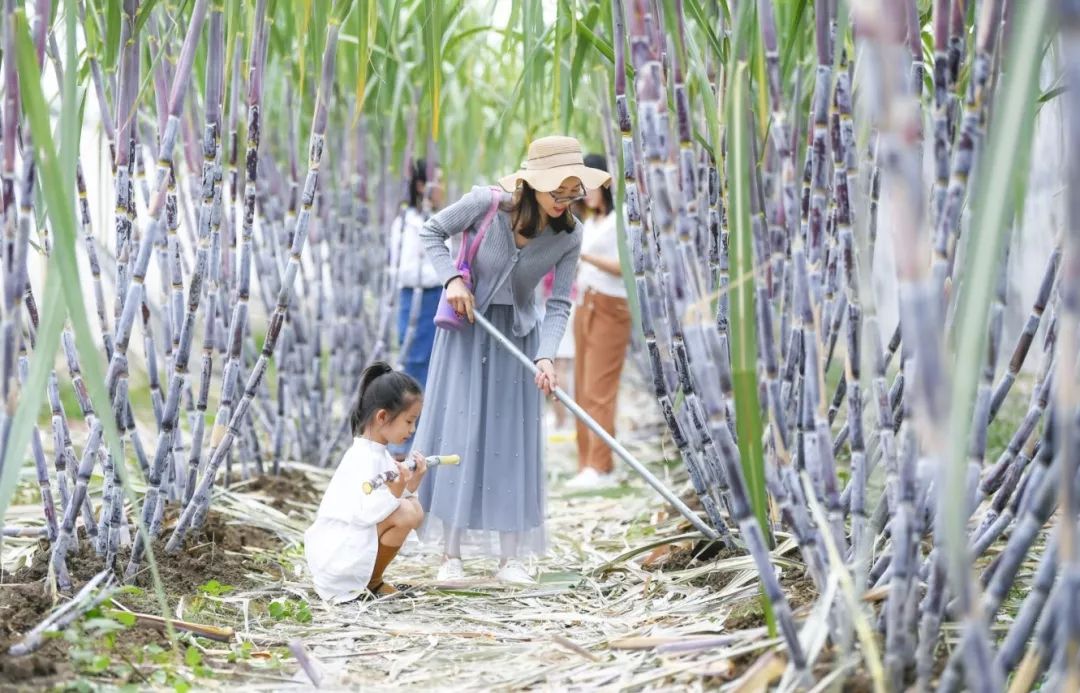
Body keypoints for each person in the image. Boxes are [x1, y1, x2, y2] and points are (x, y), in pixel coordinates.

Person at [413, 136, 611, 584]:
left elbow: (559, 303)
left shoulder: (571, 234)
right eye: (556, 191)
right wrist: (451, 281)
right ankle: (451, 555)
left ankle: (512, 558)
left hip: (520, 337)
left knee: (511, 440)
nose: (564, 202)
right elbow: (431, 232)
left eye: (572, 192)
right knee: (459, 434)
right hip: (468, 330)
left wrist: (546, 356)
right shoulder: (487, 205)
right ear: (532, 184)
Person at [304, 362, 428, 602]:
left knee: (412, 509)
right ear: (382, 416)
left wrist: (412, 485)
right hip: (337, 558)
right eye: (409, 421)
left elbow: (389, 504)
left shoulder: (379, 454)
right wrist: (397, 493)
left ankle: (372, 580)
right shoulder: (362, 458)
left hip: (353, 546)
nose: (412, 430)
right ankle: (369, 582)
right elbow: (364, 512)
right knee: (407, 513)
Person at [566, 153, 631, 490]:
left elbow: (626, 267)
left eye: (591, 184)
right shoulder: (590, 222)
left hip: (611, 306)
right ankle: (587, 462)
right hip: (585, 303)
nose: (586, 192)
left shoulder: (619, 221)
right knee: (582, 386)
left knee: (599, 388)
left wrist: (585, 256)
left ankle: (601, 464)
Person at [388, 160, 445, 459]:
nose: (443, 189)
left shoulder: (438, 219)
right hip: (418, 300)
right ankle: (405, 440)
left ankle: (427, 438)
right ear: (422, 185)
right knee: (415, 366)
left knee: (436, 366)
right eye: (438, 181)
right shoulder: (406, 223)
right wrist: (442, 273)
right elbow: (405, 270)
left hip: (437, 298)